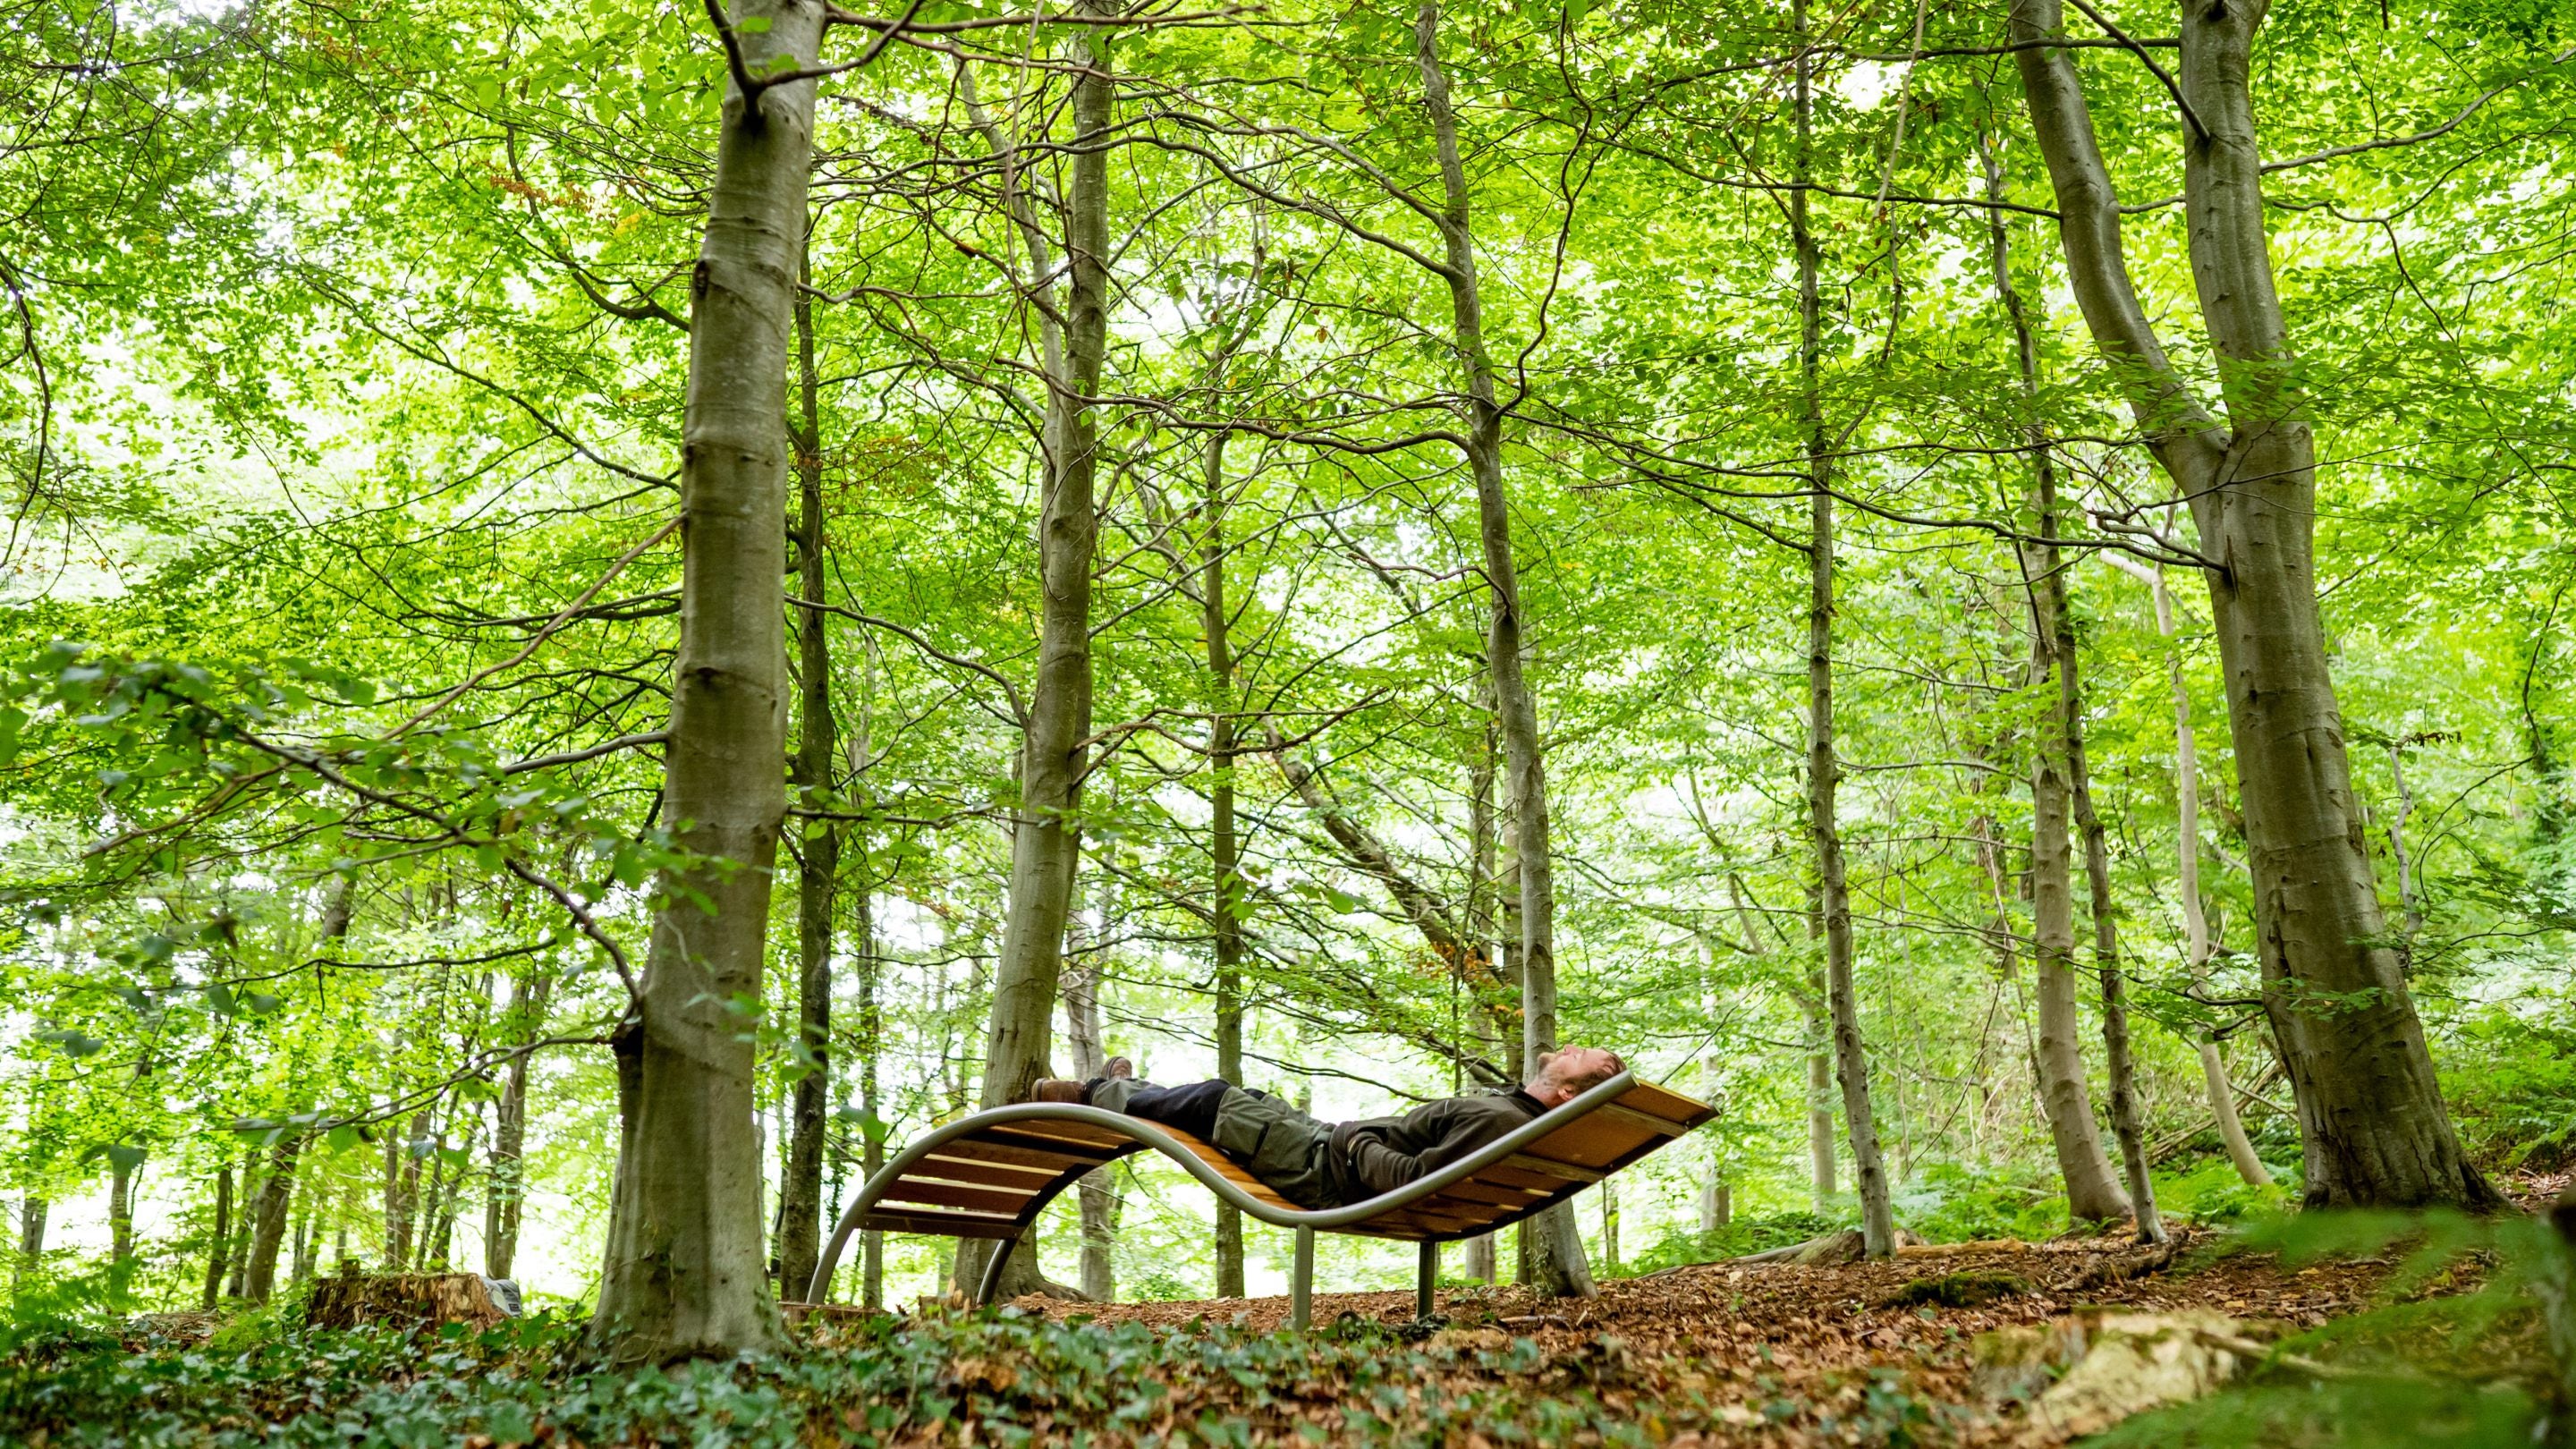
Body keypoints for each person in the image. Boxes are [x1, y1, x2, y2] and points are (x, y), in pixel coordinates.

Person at [1025, 1046, 1625, 1209]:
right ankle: (1121, 1089)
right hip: (1327, 1149)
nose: (1570, 1045)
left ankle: (1089, 1092)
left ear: (1567, 1092)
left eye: (1586, 1058)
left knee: (1217, 1101)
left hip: (1326, 1168)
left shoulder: (1500, 1121)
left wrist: (1355, 1138)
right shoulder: (1509, 1113)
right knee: (1242, 1099)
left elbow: (1414, 1178)